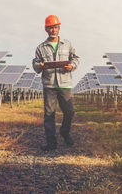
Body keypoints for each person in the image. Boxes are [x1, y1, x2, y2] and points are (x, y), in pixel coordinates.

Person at [32, 15, 80, 151]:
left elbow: (75, 58)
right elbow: (35, 63)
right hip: (49, 85)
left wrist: (72, 66)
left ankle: (64, 132)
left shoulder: (67, 44)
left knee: (69, 112)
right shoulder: (41, 48)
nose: (54, 30)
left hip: (65, 84)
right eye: (51, 28)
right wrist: (40, 65)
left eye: (56, 27)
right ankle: (51, 143)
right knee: (49, 114)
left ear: (59, 28)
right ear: (46, 29)